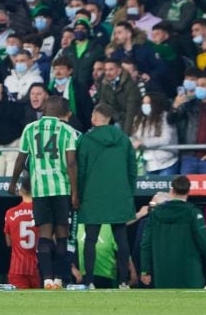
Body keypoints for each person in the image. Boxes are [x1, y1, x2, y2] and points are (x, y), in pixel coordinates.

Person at [8, 95, 78, 289]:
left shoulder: (30, 129)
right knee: (62, 233)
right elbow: (71, 163)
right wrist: (75, 193)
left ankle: (46, 279)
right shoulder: (68, 130)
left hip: (40, 190)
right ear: (62, 112)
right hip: (62, 188)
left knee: (45, 234)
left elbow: (21, 160)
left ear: (45, 108)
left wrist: (13, 183)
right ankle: (59, 278)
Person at [75, 104, 136, 289]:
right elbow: (132, 170)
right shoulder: (124, 139)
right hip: (120, 194)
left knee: (90, 239)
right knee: (121, 238)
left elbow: (80, 171)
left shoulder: (86, 140)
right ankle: (124, 281)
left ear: (95, 116)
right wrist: (128, 192)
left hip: (93, 196)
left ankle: (90, 281)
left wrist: (79, 194)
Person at [140, 176, 206, 289]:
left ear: (171, 190)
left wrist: (145, 270)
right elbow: (204, 243)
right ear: (188, 191)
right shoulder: (193, 213)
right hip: (190, 275)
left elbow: (146, 244)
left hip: (162, 274)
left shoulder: (155, 214)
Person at [3, 177, 39, 289]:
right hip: (38, 269)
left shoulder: (10, 213)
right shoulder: (43, 213)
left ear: (20, 191)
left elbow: (8, 242)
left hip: (17, 268)